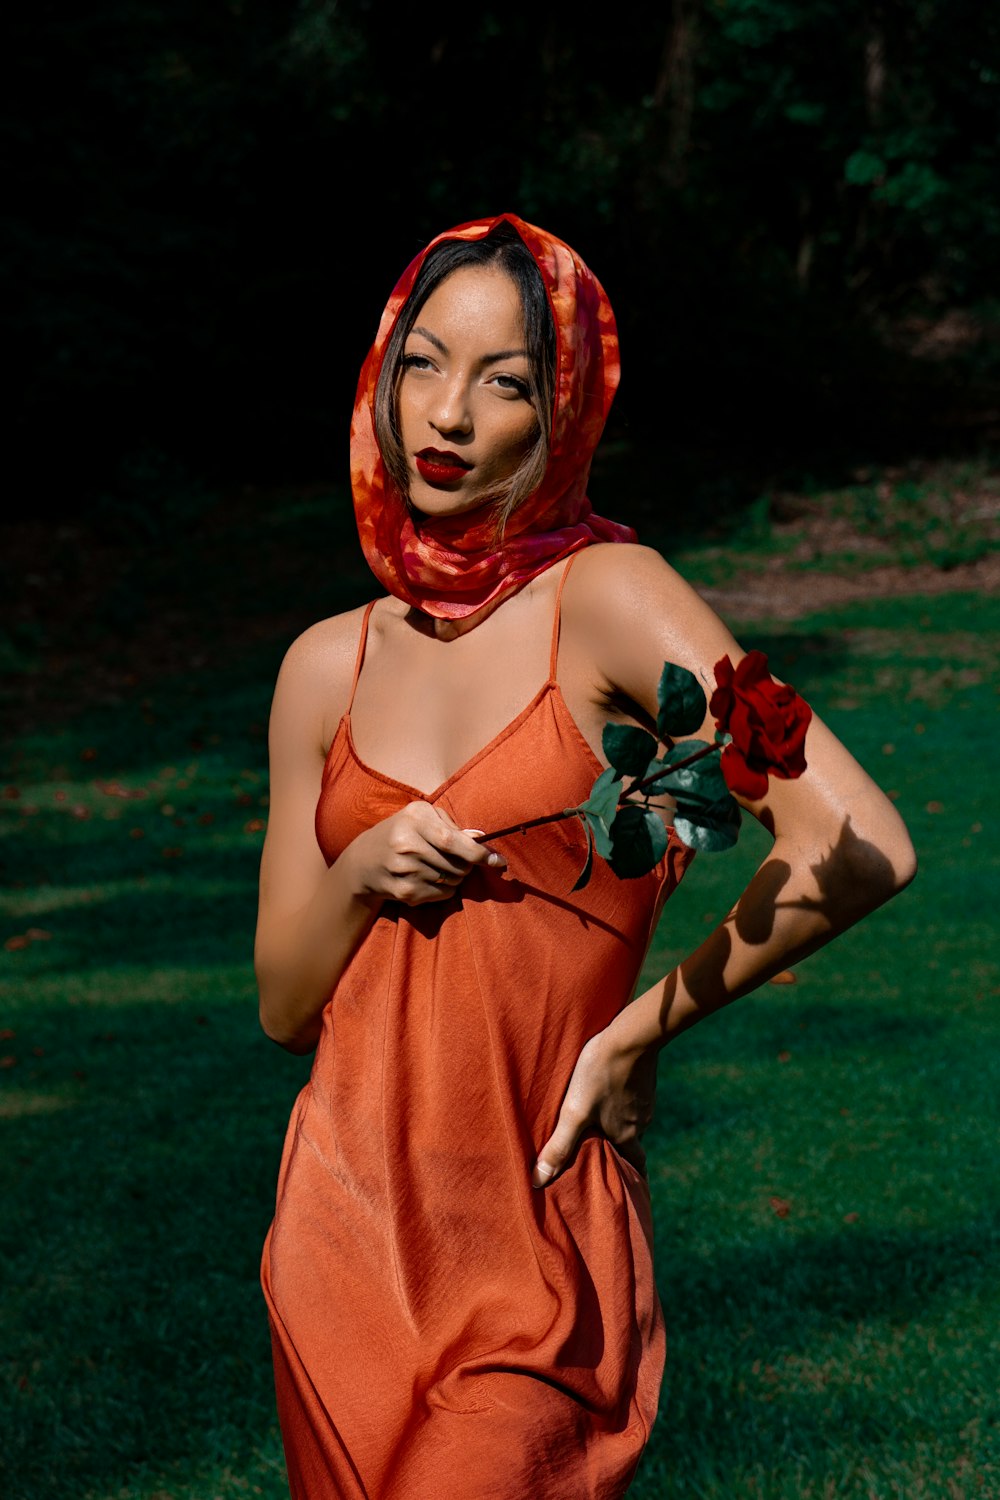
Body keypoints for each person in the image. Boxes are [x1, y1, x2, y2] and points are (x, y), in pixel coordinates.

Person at [255, 213, 915, 1499]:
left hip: (534, 1255)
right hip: (337, 1246)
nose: (446, 415)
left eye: (503, 382)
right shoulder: (321, 668)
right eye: (422, 365)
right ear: (381, 382)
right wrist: (359, 868)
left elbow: (859, 840)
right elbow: (284, 1006)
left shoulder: (610, 598)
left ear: (561, 412)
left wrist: (639, 1031)